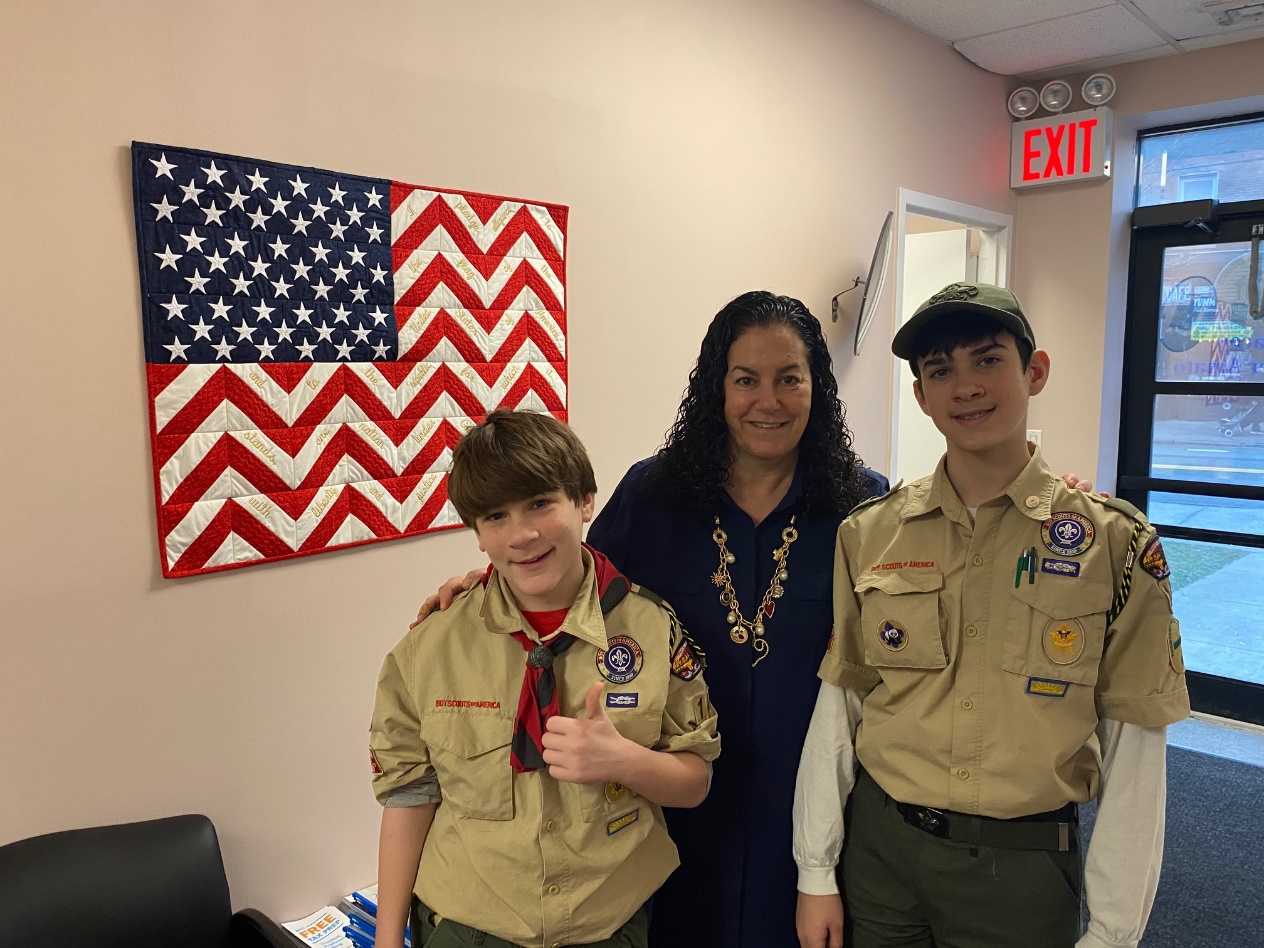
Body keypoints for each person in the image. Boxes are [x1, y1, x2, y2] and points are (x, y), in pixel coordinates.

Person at [416, 291, 887, 948]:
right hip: (664, 803)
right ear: (716, 387)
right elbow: (570, 584)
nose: (768, 401)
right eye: (745, 379)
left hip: (810, 812)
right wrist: (487, 585)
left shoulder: (866, 507)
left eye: (790, 379)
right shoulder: (653, 493)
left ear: (819, 387)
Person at [793, 282, 1190, 948]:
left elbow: (1136, 748)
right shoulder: (870, 533)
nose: (966, 386)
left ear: (1034, 371)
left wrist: (1115, 932)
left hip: (1021, 867)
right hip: (882, 855)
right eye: (940, 371)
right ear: (920, 396)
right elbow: (842, 705)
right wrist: (815, 871)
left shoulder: (1116, 545)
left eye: (987, 360)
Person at [370, 410, 720, 948]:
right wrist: (388, 938)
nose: (523, 534)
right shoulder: (431, 647)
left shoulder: (651, 629)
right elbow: (409, 796)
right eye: (495, 517)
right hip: (468, 924)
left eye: (540, 503)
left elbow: (696, 782)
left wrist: (623, 760)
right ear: (478, 536)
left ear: (584, 500)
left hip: (604, 923)